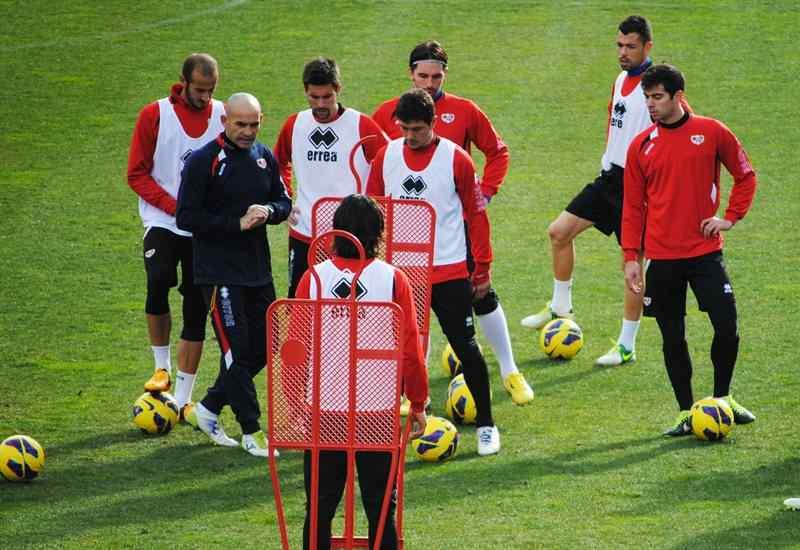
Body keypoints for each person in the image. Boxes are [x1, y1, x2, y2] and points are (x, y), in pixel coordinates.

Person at [372, 40, 532, 405]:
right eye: (423, 75)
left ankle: (509, 371)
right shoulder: (388, 113)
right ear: (410, 74)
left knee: (483, 297)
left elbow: (498, 151)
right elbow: (376, 162)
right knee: (410, 316)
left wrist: (485, 192)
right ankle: (416, 394)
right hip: (407, 239)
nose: (430, 82)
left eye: (437, 76)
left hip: (453, 232)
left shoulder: (464, 110)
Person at [522, 16, 676, 367]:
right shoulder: (621, 79)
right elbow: (614, 123)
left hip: (639, 189)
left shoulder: (657, 89)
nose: (623, 52)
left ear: (648, 47)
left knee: (633, 268)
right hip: (609, 179)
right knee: (559, 232)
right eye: (619, 45)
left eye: (631, 46)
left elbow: (681, 128)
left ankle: (626, 344)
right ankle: (560, 306)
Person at [622, 64, 757, 435]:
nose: (651, 105)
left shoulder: (711, 132)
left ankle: (723, 399)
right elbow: (632, 207)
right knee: (672, 337)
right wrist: (631, 258)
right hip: (662, 259)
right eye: (647, 98)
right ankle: (685, 412)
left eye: (657, 97)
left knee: (727, 325)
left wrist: (730, 217)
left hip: (704, 252)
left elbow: (745, 175)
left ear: (678, 96)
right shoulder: (641, 147)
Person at [367, 88, 500, 456]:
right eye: (404, 129)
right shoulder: (385, 157)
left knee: (465, 347)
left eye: (417, 130)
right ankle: (385, 423)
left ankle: (487, 424)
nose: (410, 137)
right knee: (392, 351)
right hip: (399, 274)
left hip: (448, 271)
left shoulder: (456, 159)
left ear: (433, 123)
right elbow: (372, 212)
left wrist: (482, 268)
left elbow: (477, 216)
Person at [295, 194, 428, 550]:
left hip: (324, 408)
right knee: (381, 506)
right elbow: (411, 349)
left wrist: (294, 407)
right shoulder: (393, 280)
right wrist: (418, 402)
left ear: (335, 231)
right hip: (377, 409)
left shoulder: (313, 279)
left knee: (319, 508)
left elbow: (295, 349)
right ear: (379, 233)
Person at [176, 93, 291, 456]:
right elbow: (186, 218)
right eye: (240, 124)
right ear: (224, 119)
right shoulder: (204, 162)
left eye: (254, 124)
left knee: (269, 346)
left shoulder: (263, 156)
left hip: (257, 271)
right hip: (218, 274)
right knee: (235, 351)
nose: (247, 131)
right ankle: (252, 431)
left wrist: (269, 211)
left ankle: (208, 408)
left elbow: (285, 201)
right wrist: (236, 224)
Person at [127, 53, 223, 415]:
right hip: (163, 220)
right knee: (159, 278)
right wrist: (174, 207)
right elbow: (136, 173)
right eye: (200, 90)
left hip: (202, 227)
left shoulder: (223, 115)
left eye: (211, 90)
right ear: (183, 82)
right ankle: (160, 368)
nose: (206, 97)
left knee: (197, 305)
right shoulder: (154, 115)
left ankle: (182, 399)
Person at [274, 57, 388, 298]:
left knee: (351, 301)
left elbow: (392, 165)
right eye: (314, 97)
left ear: (338, 89)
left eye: (327, 97)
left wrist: (376, 210)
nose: (321, 104)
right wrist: (285, 199)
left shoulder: (362, 126)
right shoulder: (295, 125)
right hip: (305, 231)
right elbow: (277, 164)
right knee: (300, 298)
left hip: (352, 235)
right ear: (305, 90)